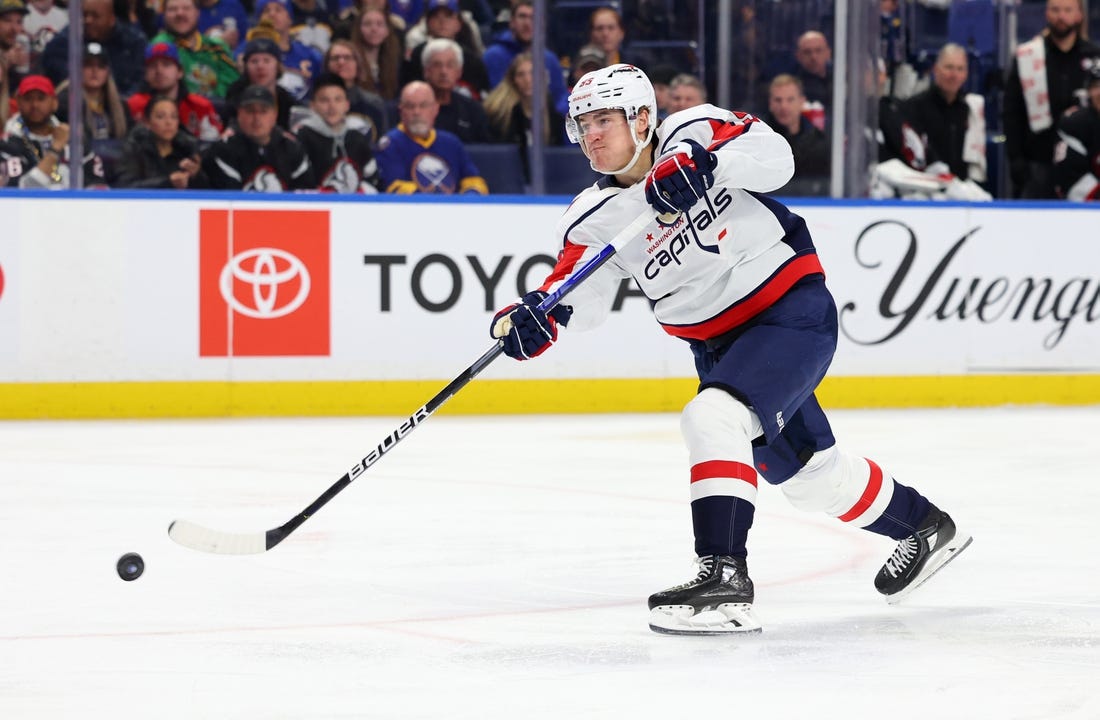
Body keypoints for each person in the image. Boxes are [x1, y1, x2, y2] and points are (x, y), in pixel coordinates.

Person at [487, 63, 972, 635]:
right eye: (581, 124)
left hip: (789, 311)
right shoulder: (590, 218)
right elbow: (576, 296)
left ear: (642, 118)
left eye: (602, 120)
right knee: (812, 478)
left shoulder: (694, 130)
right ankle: (925, 526)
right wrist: (539, 318)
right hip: (719, 349)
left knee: (711, 415)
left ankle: (723, 578)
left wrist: (708, 164)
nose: (590, 135)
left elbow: (778, 158)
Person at [1003, 0, 1100, 199]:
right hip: (1037, 162)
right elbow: (1011, 112)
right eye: (1055, 10)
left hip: (1082, 166)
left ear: (1079, 15)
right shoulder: (1028, 55)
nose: (1061, 16)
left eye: (1067, 10)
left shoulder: (1094, 57)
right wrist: (1016, 159)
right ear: (1047, 13)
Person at [374, 79, 486, 193]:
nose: (416, 112)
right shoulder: (390, 144)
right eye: (410, 106)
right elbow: (396, 187)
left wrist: (469, 200)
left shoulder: (451, 143)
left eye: (423, 105)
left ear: (435, 109)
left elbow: (474, 181)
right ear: (401, 111)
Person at [900, 43, 987, 185]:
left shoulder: (970, 108)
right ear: (936, 69)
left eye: (960, 69)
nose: (954, 75)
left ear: (966, 74)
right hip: (926, 189)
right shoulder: (916, 106)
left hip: (962, 189)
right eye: (949, 67)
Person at [201, 83, 315, 190]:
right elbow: (229, 199)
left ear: (274, 115)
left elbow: (305, 197)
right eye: (250, 111)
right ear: (239, 114)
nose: (257, 118)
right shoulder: (224, 149)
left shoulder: (291, 148)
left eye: (263, 112)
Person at [2, 73, 107, 187]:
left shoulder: (74, 141)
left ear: (54, 102)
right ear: (18, 102)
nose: (35, 105)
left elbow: (98, 185)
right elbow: (22, 192)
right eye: (28, 99)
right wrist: (55, 149)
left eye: (41, 98)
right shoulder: (7, 144)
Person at [483, 51, 565, 181]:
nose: (528, 80)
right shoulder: (499, 116)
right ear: (513, 80)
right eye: (521, 74)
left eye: (532, 73)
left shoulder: (554, 118)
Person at [294, 71, 380, 192]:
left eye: (338, 100)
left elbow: (373, 182)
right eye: (324, 100)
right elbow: (298, 187)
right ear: (313, 106)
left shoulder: (357, 139)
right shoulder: (300, 139)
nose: (332, 106)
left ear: (347, 105)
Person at [40, 0, 147, 96]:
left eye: (95, 16)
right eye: (84, 15)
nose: (88, 20)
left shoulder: (133, 42)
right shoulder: (64, 42)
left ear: (111, 19)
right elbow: (59, 81)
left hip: (122, 105)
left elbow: (140, 81)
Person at [127, 41, 224, 145]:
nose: (159, 70)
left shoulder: (200, 106)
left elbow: (216, 143)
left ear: (180, 72)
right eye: (152, 66)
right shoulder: (134, 105)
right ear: (145, 74)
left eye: (166, 64)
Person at [482, 0, 568, 115]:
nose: (527, 23)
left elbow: (561, 98)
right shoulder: (493, 56)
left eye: (533, 17)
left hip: (545, 124)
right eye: (522, 17)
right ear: (512, 22)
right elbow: (495, 100)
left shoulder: (549, 59)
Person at [149, 0, 240, 100]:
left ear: (197, 13)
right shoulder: (159, 47)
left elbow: (233, 86)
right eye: (173, 9)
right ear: (164, 15)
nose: (180, 13)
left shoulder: (217, 46)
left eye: (186, 8)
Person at [401, 0, 489, 101]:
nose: (442, 21)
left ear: (459, 24)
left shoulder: (471, 59)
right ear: (428, 23)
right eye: (435, 16)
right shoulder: (417, 55)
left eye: (448, 16)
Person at [115, 94, 207, 188]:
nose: (168, 122)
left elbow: (207, 192)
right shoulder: (134, 149)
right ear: (147, 122)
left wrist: (196, 176)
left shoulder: (187, 150)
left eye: (174, 117)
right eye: (160, 117)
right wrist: (167, 182)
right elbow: (125, 187)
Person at [243, 0, 323, 102]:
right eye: (266, 11)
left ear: (290, 18)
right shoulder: (246, 52)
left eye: (278, 9)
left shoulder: (310, 55)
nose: (272, 14)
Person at [762, 74, 829, 186]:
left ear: (801, 101)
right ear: (770, 103)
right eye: (778, 100)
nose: (784, 106)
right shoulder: (760, 138)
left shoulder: (818, 142)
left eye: (790, 100)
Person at [421, 37, 489, 142]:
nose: (443, 72)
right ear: (426, 71)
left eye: (450, 65)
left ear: (459, 72)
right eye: (437, 65)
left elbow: (485, 151)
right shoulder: (413, 108)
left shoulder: (473, 110)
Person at [223, 36, 299, 130]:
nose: (260, 66)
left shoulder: (288, 102)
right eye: (254, 61)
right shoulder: (235, 97)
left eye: (267, 61)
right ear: (246, 67)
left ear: (278, 66)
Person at [322, 38, 386, 140]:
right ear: (327, 65)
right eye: (335, 58)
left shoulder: (373, 103)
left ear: (358, 65)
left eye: (347, 58)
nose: (341, 62)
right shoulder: (315, 104)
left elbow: (381, 141)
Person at [1054, 62, 1100, 201]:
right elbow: (1070, 182)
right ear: (1088, 92)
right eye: (1096, 86)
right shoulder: (1074, 124)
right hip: (1087, 214)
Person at [350, 4, 402, 101]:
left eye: (380, 24)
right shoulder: (351, 62)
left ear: (387, 31)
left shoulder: (396, 63)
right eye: (367, 24)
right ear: (358, 29)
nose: (374, 29)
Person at [792, 30, 831, 131]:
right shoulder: (793, 87)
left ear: (828, 53)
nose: (813, 57)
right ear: (798, 56)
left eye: (818, 50)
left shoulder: (841, 81)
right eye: (807, 52)